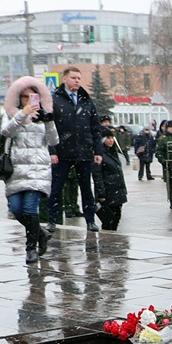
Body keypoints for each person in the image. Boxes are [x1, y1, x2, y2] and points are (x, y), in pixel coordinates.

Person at [0, 78, 56, 264]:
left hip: (38, 169)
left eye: (33, 96)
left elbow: (54, 140)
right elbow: (6, 132)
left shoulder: (44, 115)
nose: (29, 100)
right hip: (16, 169)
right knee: (16, 209)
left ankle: (30, 248)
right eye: (25, 97)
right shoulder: (11, 115)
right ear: (18, 98)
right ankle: (41, 233)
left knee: (30, 208)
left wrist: (49, 122)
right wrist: (22, 114)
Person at [47, 67, 102, 231]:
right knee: (56, 188)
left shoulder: (86, 100)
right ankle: (52, 220)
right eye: (73, 78)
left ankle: (90, 221)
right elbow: (49, 127)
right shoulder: (55, 100)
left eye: (79, 78)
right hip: (62, 151)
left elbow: (96, 128)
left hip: (83, 151)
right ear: (64, 79)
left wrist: (98, 151)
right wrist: (52, 151)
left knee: (86, 188)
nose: (77, 81)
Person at [94, 129, 128, 231]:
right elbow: (97, 175)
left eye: (112, 138)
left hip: (117, 191)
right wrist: (101, 193)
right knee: (109, 220)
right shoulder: (100, 155)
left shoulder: (114, 153)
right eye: (108, 138)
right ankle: (108, 241)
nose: (111, 140)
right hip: (108, 192)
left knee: (116, 218)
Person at [154, 120, 172, 208]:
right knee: (171, 184)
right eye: (171, 127)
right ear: (167, 128)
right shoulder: (163, 138)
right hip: (169, 165)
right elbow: (158, 152)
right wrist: (164, 161)